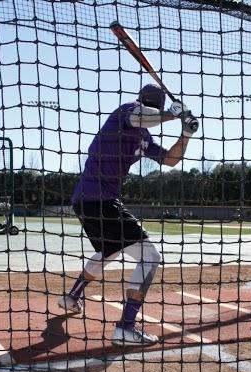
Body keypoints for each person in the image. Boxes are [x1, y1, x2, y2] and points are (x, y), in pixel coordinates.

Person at [59, 84, 199, 346]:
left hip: (87, 200)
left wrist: (185, 133)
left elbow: (169, 160)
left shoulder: (144, 136)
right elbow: (140, 116)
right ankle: (126, 326)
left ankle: (71, 297)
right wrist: (172, 113)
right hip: (100, 199)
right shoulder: (127, 113)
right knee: (150, 256)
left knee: (109, 251)